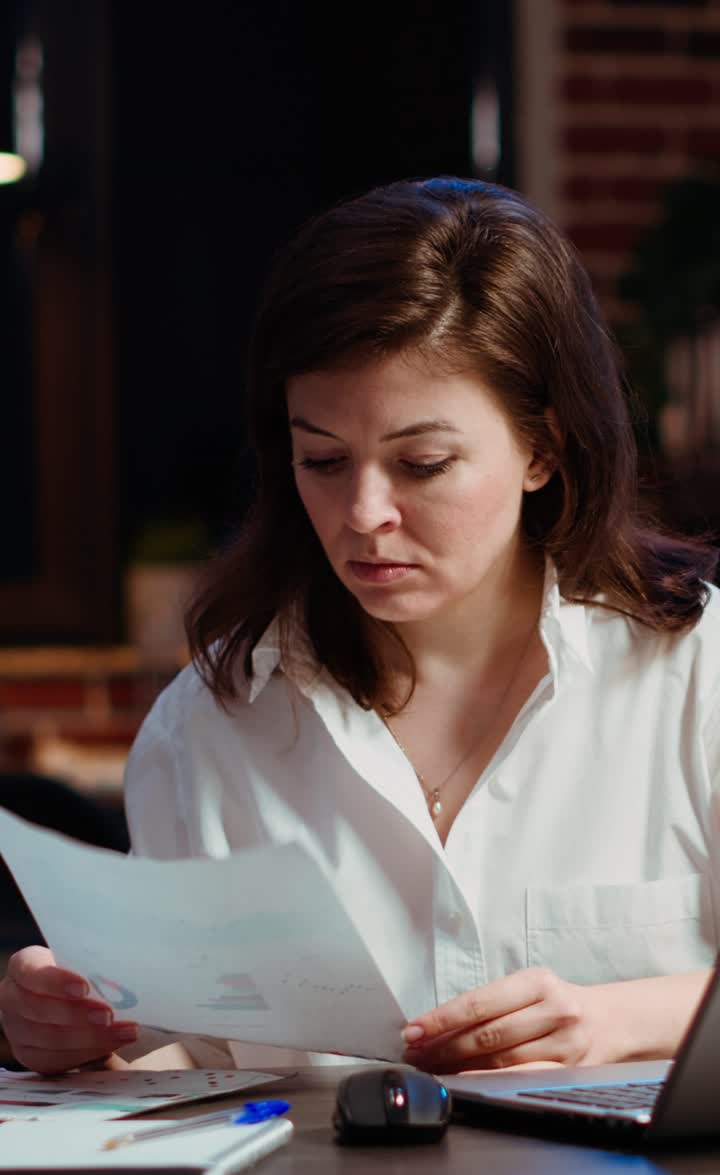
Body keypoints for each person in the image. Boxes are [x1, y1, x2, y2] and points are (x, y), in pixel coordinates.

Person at [1, 175, 719, 1077]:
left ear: (545, 447)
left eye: (422, 463)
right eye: (323, 460)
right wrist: (70, 1041)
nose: (363, 512)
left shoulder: (693, 673)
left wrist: (622, 1018)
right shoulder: (215, 722)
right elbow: (188, 1054)